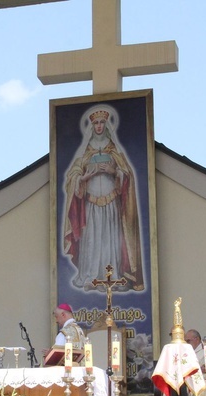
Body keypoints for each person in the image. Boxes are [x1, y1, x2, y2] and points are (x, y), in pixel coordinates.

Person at [62, 105, 144, 291]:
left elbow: (127, 174)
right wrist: (85, 177)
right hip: (91, 204)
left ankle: (112, 278)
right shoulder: (85, 151)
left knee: (109, 240)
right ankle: (90, 277)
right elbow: (73, 175)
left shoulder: (114, 150)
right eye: (96, 123)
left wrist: (114, 171)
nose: (99, 126)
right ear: (92, 127)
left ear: (106, 126)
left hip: (111, 204)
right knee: (91, 240)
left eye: (102, 123)